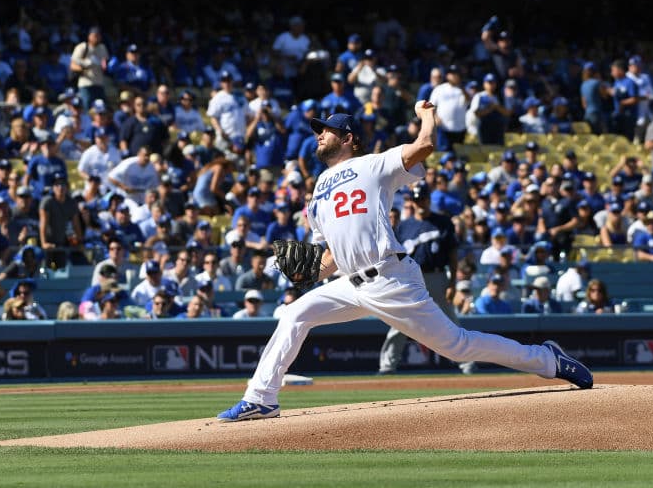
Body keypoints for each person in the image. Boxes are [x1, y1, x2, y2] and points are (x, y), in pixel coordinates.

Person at [216, 105, 592, 422]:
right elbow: (330, 254)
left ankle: (547, 360)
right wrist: (309, 272)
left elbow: (424, 145)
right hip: (351, 282)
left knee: (458, 346)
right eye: (319, 131)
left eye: (328, 130)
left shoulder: (373, 164)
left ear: (348, 138)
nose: (319, 135)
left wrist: (425, 115)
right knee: (294, 314)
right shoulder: (318, 189)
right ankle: (262, 398)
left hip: (390, 277)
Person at [379, 180, 476, 374]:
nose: (420, 202)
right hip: (411, 278)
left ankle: (467, 364)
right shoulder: (404, 226)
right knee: (400, 321)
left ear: (429, 199)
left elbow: (452, 254)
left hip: (437, 276)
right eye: (417, 199)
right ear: (412, 202)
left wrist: (452, 283)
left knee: (450, 322)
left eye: (423, 199)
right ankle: (387, 367)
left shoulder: (443, 222)